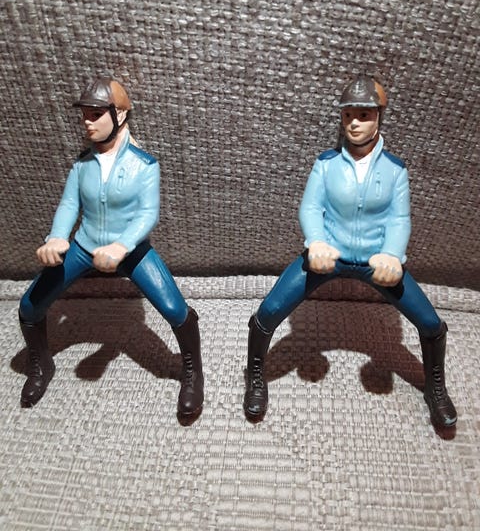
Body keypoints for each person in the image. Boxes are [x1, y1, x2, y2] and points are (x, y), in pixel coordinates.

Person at [243, 74, 457, 430]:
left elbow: (399, 219)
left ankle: (435, 385)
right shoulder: (326, 164)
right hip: (327, 256)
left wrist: (393, 254)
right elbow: (311, 208)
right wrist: (316, 242)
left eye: (364, 115)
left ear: (379, 117)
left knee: (430, 323)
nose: (354, 123)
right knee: (269, 311)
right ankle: (254, 374)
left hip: (377, 262)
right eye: (347, 116)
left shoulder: (395, 171)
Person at [19, 77, 204, 418]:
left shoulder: (144, 165)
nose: (87, 122)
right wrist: (57, 237)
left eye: (95, 114)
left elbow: (147, 214)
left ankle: (192, 370)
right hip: (84, 246)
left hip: (131, 252)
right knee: (30, 305)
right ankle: (41, 363)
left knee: (175, 309)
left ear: (119, 115)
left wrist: (122, 245)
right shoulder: (81, 165)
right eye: (84, 115)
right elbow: (69, 205)